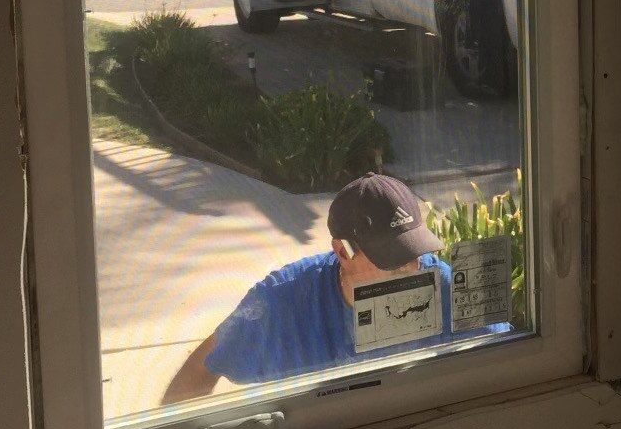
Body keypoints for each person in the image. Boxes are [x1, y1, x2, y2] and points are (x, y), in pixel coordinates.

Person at [162, 172, 502, 403]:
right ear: (343, 251)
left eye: (415, 252)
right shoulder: (282, 302)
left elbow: (508, 372)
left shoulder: (450, 291)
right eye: (392, 256)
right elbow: (199, 370)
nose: (410, 268)